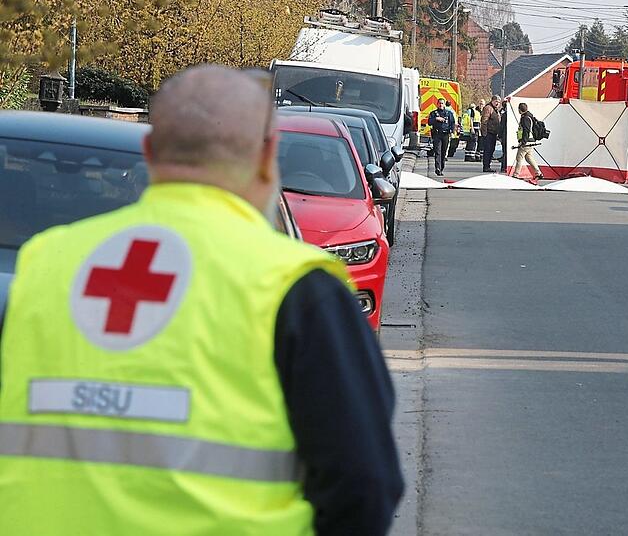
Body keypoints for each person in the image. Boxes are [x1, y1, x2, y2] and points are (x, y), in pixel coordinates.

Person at [0, 65, 404, 534]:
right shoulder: (293, 286)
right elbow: (363, 486)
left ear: (150, 152)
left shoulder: (46, 264)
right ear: (267, 155)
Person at [511, 102, 544, 184]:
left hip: (527, 141)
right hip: (531, 140)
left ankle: (516, 174)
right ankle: (538, 173)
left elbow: (526, 131)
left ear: (519, 110)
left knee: (519, 157)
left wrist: (523, 142)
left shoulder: (525, 118)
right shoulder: (530, 117)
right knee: (529, 157)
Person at [427, 97, 455, 176]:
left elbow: (452, 123)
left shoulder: (448, 113)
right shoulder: (433, 113)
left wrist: (452, 131)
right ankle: (438, 168)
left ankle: (441, 167)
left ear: (444, 104)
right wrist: (436, 119)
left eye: (442, 103)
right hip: (437, 134)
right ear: (437, 104)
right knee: (438, 152)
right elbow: (429, 122)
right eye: (439, 103)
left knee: (443, 152)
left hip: (445, 135)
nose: (441, 105)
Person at [481, 96, 501, 172]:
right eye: (496, 101)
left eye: (498, 102)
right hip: (488, 133)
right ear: (492, 101)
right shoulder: (488, 108)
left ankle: (488, 165)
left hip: (493, 133)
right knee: (488, 150)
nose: (497, 103)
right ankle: (486, 166)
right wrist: (484, 133)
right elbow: (484, 121)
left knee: (491, 150)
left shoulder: (495, 110)